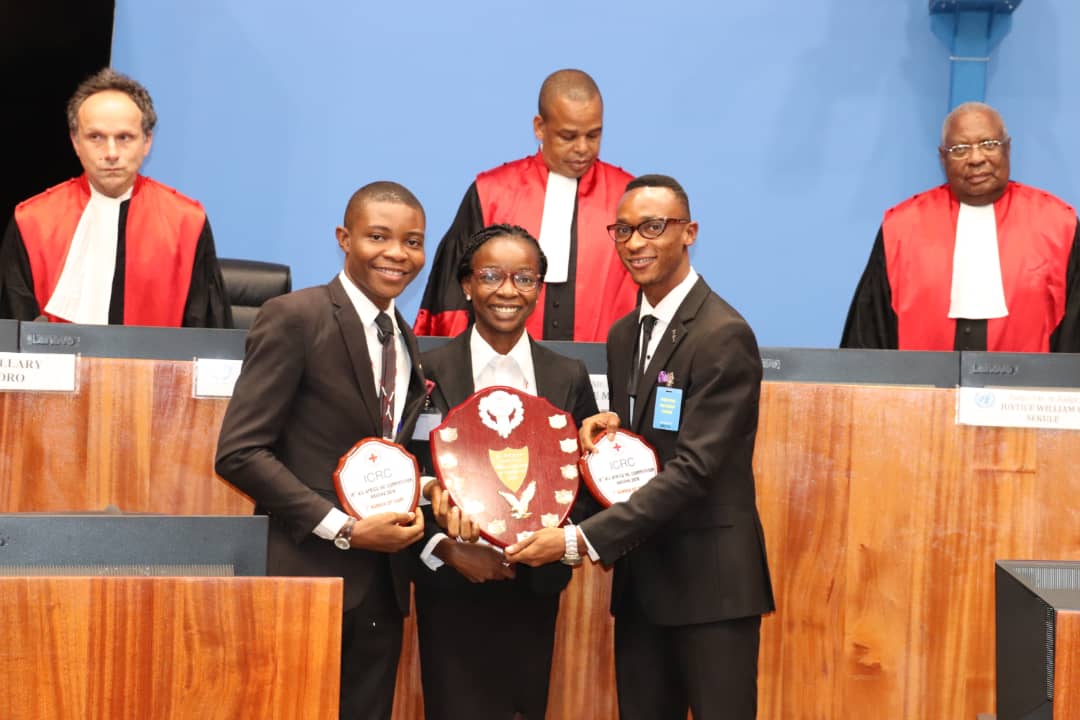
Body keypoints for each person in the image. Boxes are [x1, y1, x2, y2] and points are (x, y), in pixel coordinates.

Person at [506, 175, 775, 720]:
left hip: (711, 588)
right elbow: (648, 447)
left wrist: (578, 540)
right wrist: (610, 431)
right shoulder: (626, 333)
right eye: (623, 229)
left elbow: (695, 468)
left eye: (653, 227)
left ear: (689, 232)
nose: (635, 243)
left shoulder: (723, 333)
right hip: (644, 583)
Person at [215, 181, 429, 720]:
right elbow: (240, 451)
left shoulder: (404, 337)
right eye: (378, 237)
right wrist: (345, 528)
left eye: (412, 241)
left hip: (383, 584)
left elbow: (385, 451)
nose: (397, 254)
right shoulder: (295, 316)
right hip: (306, 574)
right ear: (344, 238)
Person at [411, 224, 599, 720]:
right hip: (451, 585)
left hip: (535, 588)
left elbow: (583, 480)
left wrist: (555, 541)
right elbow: (404, 473)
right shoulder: (422, 369)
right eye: (492, 275)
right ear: (467, 285)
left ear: (539, 289)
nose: (508, 291)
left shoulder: (567, 375)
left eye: (524, 278)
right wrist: (444, 548)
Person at [414, 68, 637, 342]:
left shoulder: (629, 198)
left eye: (593, 136)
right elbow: (452, 296)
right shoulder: (491, 193)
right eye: (568, 136)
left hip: (605, 370)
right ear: (540, 127)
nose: (582, 148)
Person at [0, 67, 232, 327]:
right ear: (76, 142)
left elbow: (209, 342)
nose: (111, 153)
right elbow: (13, 340)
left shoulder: (187, 223)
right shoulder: (32, 221)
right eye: (96, 137)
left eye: (124, 137)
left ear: (147, 142)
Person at [842, 102, 1080, 352]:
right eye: (960, 149)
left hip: (1028, 386)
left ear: (1008, 149)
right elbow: (868, 336)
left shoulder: (1057, 224)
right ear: (942, 157)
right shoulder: (901, 228)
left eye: (989, 145)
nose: (976, 159)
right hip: (923, 386)